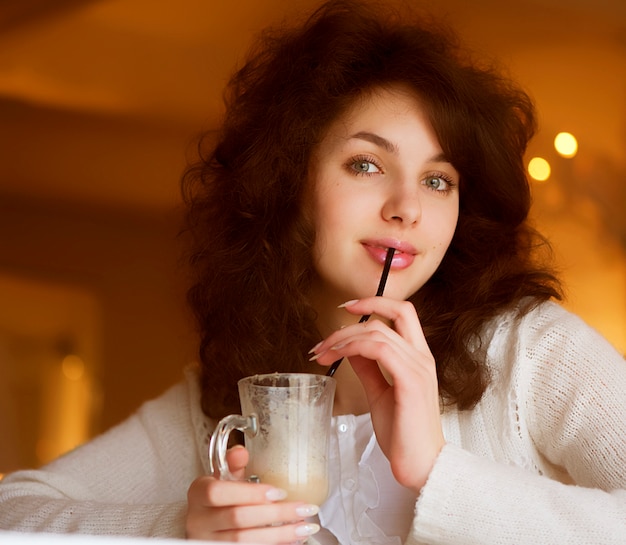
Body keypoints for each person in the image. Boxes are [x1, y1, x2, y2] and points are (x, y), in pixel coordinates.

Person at [1, 0, 625, 543]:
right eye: (365, 165)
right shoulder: (219, 396)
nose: (407, 207)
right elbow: (14, 507)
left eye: (438, 180)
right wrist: (180, 528)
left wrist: (437, 470)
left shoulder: (531, 352)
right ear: (288, 182)